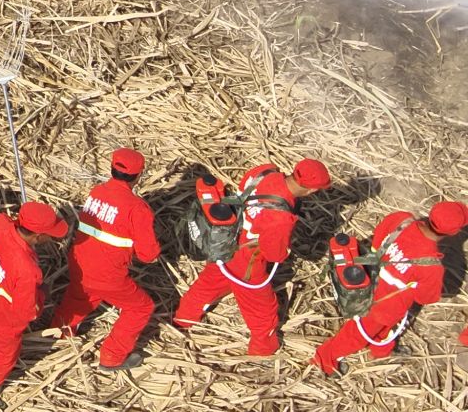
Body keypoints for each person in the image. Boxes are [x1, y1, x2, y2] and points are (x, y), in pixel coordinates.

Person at [173, 158, 332, 356]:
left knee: (207, 285)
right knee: (263, 312)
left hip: (225, 243)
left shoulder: (264, 171)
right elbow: (274, 254)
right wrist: (285, 251)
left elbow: (242, 189)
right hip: (248, 264)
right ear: (312, 190)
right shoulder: (280, 217)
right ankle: (262, 351)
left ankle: (181, 320)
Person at [315, 200, 466, 375]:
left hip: (369, 280)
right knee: (355, 335)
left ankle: (381, 349)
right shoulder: (432, 266)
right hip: (386, 306)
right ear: (454, 232)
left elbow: (376, 242)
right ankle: (325, 359)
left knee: (384, 327)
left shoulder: (401, 219)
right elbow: (425, 297)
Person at [51, 148, 161, 371]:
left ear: (111, 169)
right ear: (139, 176)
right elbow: (148, 254)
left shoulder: (98, 191)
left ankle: (56, 338)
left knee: (79, 298)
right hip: (108, 275)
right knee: (141, 308)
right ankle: (112, 357)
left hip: (79, 262)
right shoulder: (137, 209)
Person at [0, 201, 67, 401]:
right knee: (2, 358)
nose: (52, 238)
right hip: (5, 320)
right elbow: (26, 312)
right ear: (38, 236)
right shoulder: (27, 270)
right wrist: (42, 295)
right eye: (50, 235)